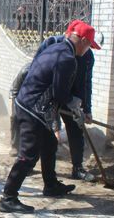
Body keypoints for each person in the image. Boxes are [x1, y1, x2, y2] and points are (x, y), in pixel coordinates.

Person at [0, 21, 100, 214]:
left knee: (49, 145)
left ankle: (51, 185)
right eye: (89, 46)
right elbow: (60, 93)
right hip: (33, 108)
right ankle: (8, 197)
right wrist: (76, 106)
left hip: (33, 105)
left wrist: (77, 108)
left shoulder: (55, 48)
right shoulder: (67, 58)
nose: (88, 51)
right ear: (83, 40)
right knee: (28, 156)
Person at [36, 19, 97, 182]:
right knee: (42, 132)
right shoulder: (52, 45)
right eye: (88, 45)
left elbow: (86, 83)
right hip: (49, 95)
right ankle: (29, 165)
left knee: (76, 130)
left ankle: (78, 168)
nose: (88, 49)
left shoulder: (88, 56)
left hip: (71, 99)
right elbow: (36, 68)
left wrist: (86, 108)